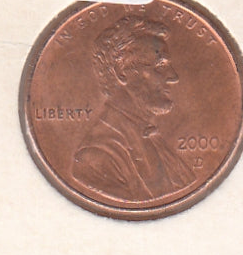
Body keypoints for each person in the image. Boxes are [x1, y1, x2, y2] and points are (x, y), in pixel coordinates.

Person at [72, 15, 196, 201]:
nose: (173, 76)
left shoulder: (152, 137)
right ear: (122, 71)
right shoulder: (96, 157)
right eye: (161, 65)